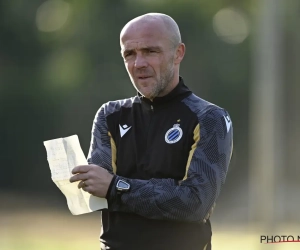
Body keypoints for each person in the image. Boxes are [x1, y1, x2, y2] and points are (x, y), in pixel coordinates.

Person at [70, 13, 233, 250]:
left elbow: (194, 203)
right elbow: (98, 192)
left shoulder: (209, 117)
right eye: (129, 54)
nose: (139, 64)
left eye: (150, 51)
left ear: (178, 53)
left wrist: (118, 188)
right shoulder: (110, 115)